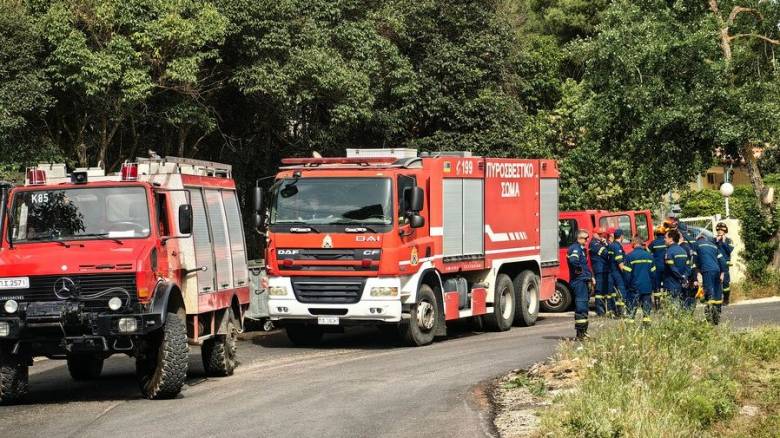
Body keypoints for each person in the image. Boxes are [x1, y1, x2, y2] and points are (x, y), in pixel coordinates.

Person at [567, 229, 595, 339]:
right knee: (581, 306)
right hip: (579, 281)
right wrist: (580, 271)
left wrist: (590, 276)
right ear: (579, 238)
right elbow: (573, 260)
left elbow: (585, 265)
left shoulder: (581, 249)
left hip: (583, 280)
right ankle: (581, 334)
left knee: (584, 307)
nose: (587, 240)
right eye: (586, 238)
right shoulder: (575, 248)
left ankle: (584, 332)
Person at [696, 232, 728, 324]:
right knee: (717, 293)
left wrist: (697, 272)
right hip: (717, 270)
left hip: (707, 270)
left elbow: (694, 260)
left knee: (709, 293)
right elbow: (722, 261)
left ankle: (710, 319)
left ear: (698, 239)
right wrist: (722, 273)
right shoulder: (713, 246)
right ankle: (717, 317)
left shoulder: (697, 245)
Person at [623, 235, 655, 323]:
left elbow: (627, 275)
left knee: (631, 310)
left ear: (634, 242)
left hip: (634, 288)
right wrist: (651, 286)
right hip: (647, 287)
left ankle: (630, 327)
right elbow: (653, 274)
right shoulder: (649, 256)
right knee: (647, 311)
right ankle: (646, 326)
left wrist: (627, 286)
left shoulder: (630, 256)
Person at [663, 229, 691, 308]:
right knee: (683, 304)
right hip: (682, 283)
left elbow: (672, 268)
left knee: (672, 306)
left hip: (671, 283)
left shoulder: (669, 252)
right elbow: (688, 267)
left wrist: (681, 277)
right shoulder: (683, 251)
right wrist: (684, 277)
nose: (664, 239)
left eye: (665, 237)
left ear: (671, 239)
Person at [589, 227, 610, 316]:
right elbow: (606, 253)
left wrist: (606, 244)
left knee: (604, 290)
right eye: (599, 234)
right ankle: (600, 311)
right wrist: (607, 245)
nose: (601, 236)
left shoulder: (600, 243)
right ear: (594, 234)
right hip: (599, 269)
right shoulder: (594, 244)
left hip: (603, 269)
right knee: (599, 290)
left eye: (602, 234)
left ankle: (604, 310)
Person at [607, 228, 628, 316]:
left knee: (612, 292)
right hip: (617, 273)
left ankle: (613, 310)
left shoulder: (611, 245)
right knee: (621, 291)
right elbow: (620, 262)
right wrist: (626, 273)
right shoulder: (617, 246)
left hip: (611, 272)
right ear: (621, 236)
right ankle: (622, 312)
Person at [715, 222, 735, 305]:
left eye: (721, 230)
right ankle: (717, 299)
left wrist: (723, 242)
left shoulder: (729, 240)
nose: (719, 231)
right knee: (716, 282)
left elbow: (729, 250)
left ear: (725, 231)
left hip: (725, 265)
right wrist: (716, 241)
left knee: (725, 283)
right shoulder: (714, 240)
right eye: (718, 230)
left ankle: (726, 299)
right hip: (716, 264)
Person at [649, 225, 668, 310]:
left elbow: (648, 253)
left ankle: (657, 305)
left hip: (656, 268)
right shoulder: (667, 242)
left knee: (657, 286)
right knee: (666, 285)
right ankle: (667, 304)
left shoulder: (653, 243)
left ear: (656, 233)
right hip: (666, 267)